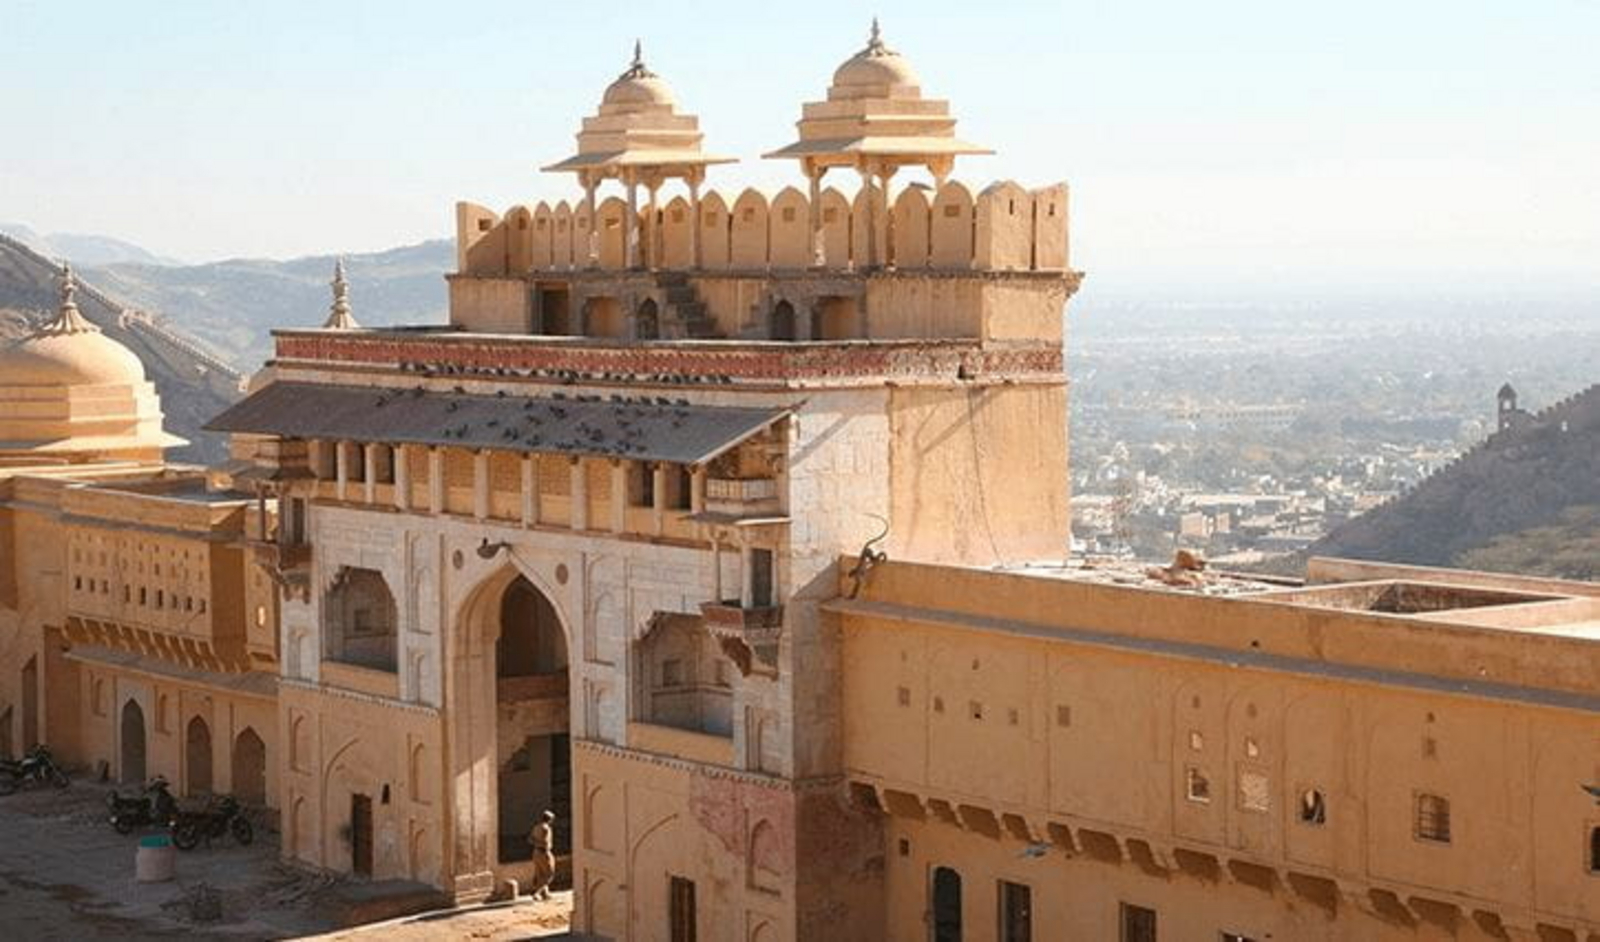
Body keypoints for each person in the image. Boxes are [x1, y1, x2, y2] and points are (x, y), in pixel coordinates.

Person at [527, 810, 556, 900]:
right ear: (550, 819)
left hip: (536, 852)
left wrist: (536, 843)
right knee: (549, 874)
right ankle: (536, 892)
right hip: (544, 852)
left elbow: (530, 839)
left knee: (540, 874)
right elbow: (545, 841)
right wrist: (545, 848)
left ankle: (545, 893)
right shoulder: (546, 828)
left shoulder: (536, 827)